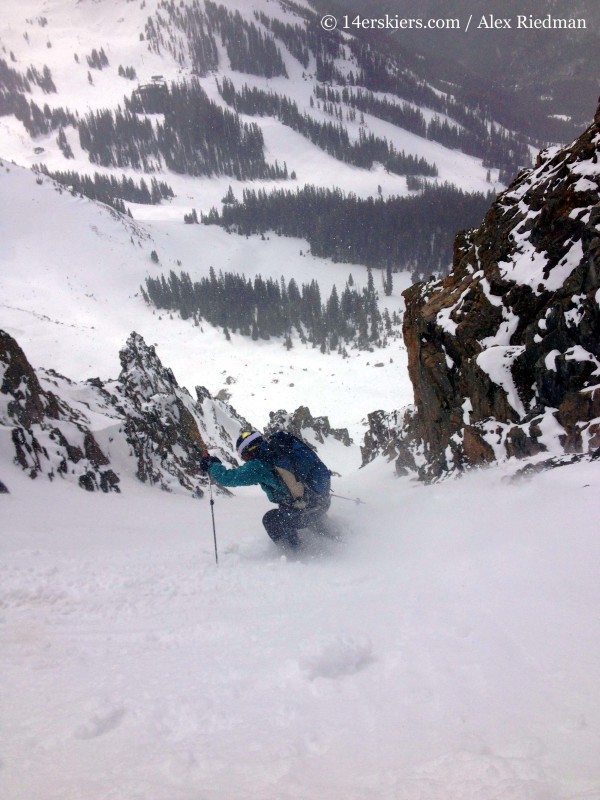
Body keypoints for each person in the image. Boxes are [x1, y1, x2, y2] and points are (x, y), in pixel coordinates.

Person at [200, 430, 331, 548]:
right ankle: (338, 536)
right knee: (297, 512)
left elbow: (227, 478)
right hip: (321, 502)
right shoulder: (280, 452)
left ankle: (295, 553)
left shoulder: (258, 466)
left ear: (250, 450)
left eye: (244, 456)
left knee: (271, 519)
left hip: (304, 513)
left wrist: (212, 465)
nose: (245, 460)